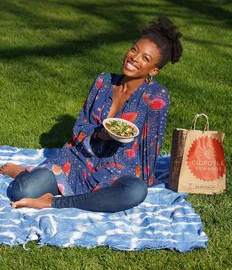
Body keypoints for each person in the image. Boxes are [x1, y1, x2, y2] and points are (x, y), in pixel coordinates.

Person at [0, 16, 183, 212]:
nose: (134, 58)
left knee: (135, 192)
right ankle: (25, 172)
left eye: (145, 58)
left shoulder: (156, 97)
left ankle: (52, 201)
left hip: (117, 168)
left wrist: (144, 180)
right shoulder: (102, 82)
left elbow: (151, 144)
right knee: (20, 191)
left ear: (153, 70)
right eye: (133, 50)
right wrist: (98, 135)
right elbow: (80, 127)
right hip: (79, 160)